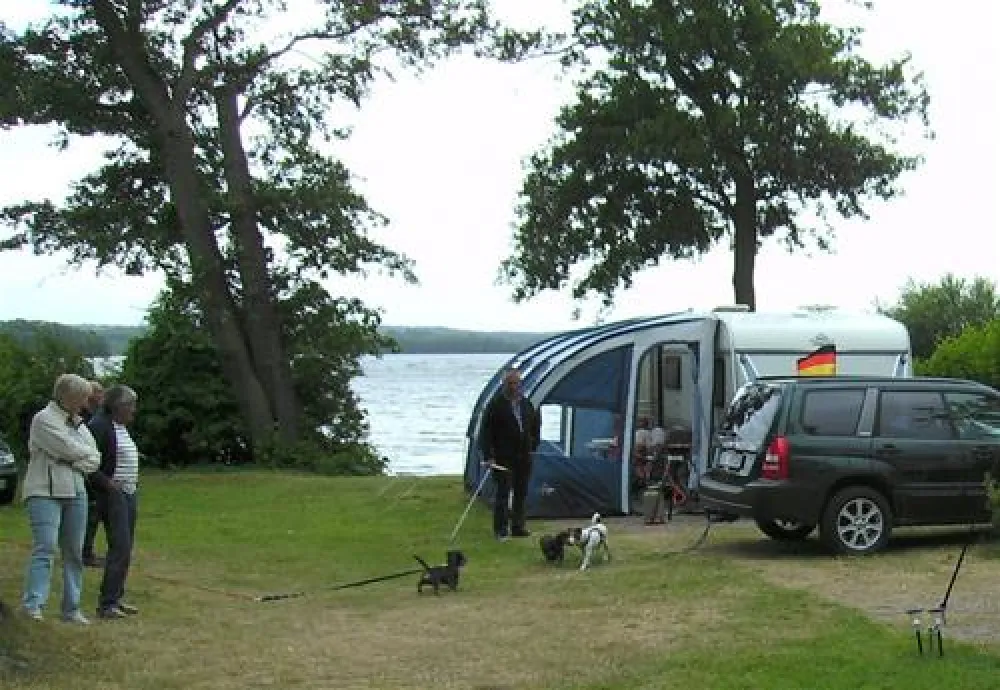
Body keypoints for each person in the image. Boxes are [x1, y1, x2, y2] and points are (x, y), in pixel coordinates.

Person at [20, 373, 102, 624]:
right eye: (81, 399)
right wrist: (75, 455)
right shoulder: (44, 419)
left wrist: (74, 457)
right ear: (67, 396)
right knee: (45, 547)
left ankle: (71, 608)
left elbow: (94, 458)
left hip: (75, 490)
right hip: (44, 490)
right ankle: (33, 605)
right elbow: (67, 448)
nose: (84, 405)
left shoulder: (78, 423)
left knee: (74, 551)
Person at [87, 384, 142, 619]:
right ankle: (107, 603)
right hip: (113, 495)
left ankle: (116, 598)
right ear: (118, 406)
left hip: (128, 492)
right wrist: (107, 483)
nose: (134, 411)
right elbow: (88, 462)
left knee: (125, 548)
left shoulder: (118, 426)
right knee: (119, 547)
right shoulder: (100, 426)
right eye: (131, 406)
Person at [480, 368, 540, 540]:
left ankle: (518, 526)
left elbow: (535, 425)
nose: (513, 387)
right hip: (503, 457)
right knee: (503, 493)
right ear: (504, 384)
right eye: (510, 383)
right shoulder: (496, 405)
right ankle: (500, 529)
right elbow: (486, 432)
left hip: (524, 455)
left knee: (521, 492)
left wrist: (534, 444)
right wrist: (488, 455)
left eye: (516, 383)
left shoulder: (526, 404)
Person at [81, 381, 106, 567]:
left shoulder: (93, 416)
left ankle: (86, 550)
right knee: (91, 512)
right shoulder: (86, 418)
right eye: (99, 393)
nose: (102, 396)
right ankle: (85, 552)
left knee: (93, 513)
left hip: (94, 468)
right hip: (88, 472)